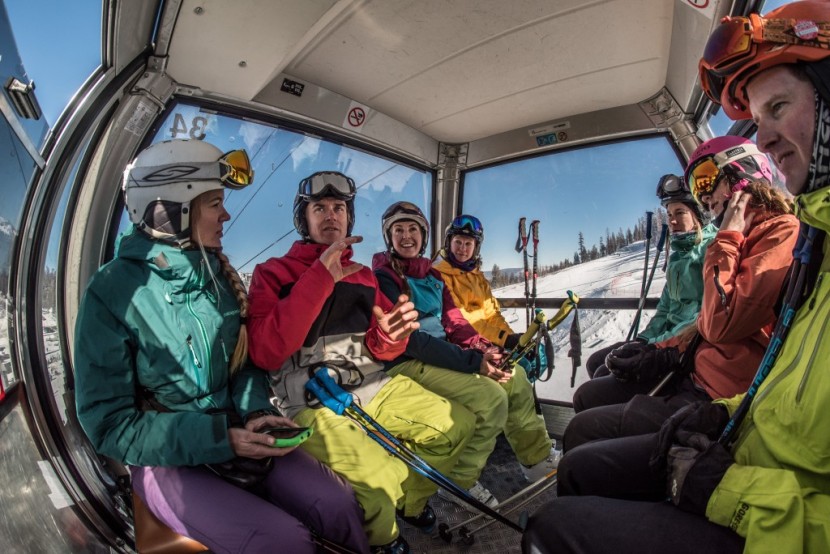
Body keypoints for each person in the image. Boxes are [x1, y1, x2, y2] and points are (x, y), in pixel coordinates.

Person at [523, 3, 830, 552]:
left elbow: (718, 317)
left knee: (567, 494)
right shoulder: (815, 245)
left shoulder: (780, 236)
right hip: (728, 421)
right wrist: (671, 359)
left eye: (779, 107)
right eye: (757, 122)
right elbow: (773, 381)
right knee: (589, 426)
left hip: (754, 481)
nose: (765, 138)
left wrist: (725, 240)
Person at [74, 140, 370, 554]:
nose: (226, 214)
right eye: (215, 203)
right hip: (166, 456)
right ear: (171, 210)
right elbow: (109, 424)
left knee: (337, 503)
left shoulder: (216, 278)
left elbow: (242, 366)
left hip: (238, 431)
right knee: (281, 541)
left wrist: (258, 414)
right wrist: (219, 438)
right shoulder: (114, 292)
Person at [246, 172, 476, 554]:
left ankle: (410, 502)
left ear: (349, 218)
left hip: (372, 384)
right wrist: (321, 275)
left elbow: (381, 347)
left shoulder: (364, 276)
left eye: (339, 208)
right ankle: (384, 539)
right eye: (319, 208)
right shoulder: (274, 273)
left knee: (456, 426)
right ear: (304, 219)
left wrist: (389, 337)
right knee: (378, 475)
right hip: (310, 399)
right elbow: (266, 352)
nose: (331, 215)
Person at [562, 137, 799, 450]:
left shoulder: (762, 237)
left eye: (704, 181)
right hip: (694, 364)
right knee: (596, 381)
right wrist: (649, 344)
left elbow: (713, 320)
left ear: (741, 171)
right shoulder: (701, 250)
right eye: (695, 189)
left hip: (717, 389)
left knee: (588, 415)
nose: (702, 195)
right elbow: (672, 310)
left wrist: (664, 351)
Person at [373, 205, 557, 494]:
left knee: (515, 377)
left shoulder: (432, 277)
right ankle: (458, 482)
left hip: (444, 352)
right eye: (399, 230)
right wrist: (473, 360)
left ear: (423, 235)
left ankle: (536, 461)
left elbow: (456, 323)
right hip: (411, 358)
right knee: (492, 397)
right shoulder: (386, 278)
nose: (406, 237)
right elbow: (414, 341)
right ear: (389, 237)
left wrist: (489, 350)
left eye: (413, 230)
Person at [584, 174, 717, 379]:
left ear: (698, 216)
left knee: (603, 373)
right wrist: (644, 340)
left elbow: (700, 317)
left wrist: (656, 345)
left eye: (679, 212)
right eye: (669, 213)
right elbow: (664, 309)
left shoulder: (710, 250)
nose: (672, 220)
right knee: (596, 362)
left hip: (682, 347)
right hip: (664, 339)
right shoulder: (676, 258)